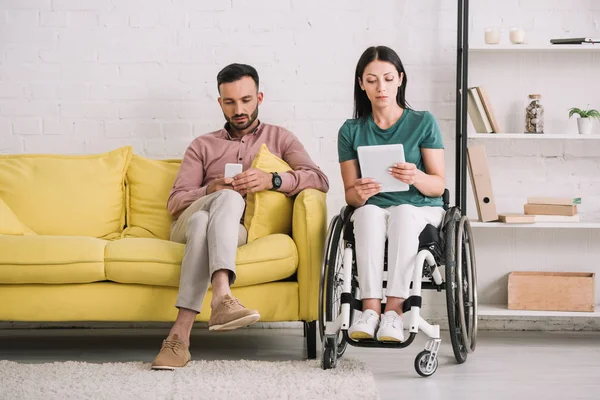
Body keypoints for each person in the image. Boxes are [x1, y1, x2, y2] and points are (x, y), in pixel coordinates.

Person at [151, 63, 329, 370]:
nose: (239, 109)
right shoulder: (203, 145)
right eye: (230, 102)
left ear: (259, 97)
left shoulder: (281, 138)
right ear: (220, 102)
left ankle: (179, 337)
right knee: (209, 208)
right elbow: (176, 202)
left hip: (233, 231)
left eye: (246, 100)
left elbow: (318, 179)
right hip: (185, 223)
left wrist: (272, 180)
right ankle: (222, 295)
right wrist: (211, 189)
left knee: (201, 224)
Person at [337, 46, 446, 343]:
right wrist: (358, 193)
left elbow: (438, 185)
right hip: (375, 208)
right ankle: (371, 308)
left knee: (403, 212)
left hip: (420, 207)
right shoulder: (351, 130)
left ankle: (394, 310)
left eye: (387, 78)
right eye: (371, 80)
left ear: (400, 79)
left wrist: (416, 176)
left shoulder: (423, 122)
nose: (380, 87)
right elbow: (350, 195)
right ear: (361, 84)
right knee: (368, 213)